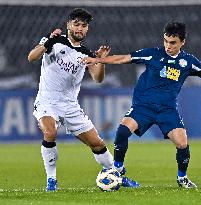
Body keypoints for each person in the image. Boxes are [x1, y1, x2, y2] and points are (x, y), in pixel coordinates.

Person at [82, 21, 201, 189]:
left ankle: (182, 178)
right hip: (143, 106)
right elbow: (124, 58)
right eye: (166, 41)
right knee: (122, 131)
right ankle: (118, 170)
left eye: (173, 42)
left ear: (182, 42)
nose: (168, 46)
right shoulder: (153, 54)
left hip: (167, 110)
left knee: (182, 143)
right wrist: (99, 60)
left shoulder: (188, 62)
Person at [27, 8, 136, 191]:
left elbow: (98, 79)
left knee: (97, 144)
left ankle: (115, 175)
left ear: (87, 29)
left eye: (84, 26)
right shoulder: (55, 42)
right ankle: (51, 180)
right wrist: (48, 40)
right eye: (76, 24)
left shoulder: (86, 54)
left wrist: (100, 60)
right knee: (50, 132)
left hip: (70, 106)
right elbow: (32, 57)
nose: (80, 28)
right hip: (47, 101)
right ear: (68, 25)